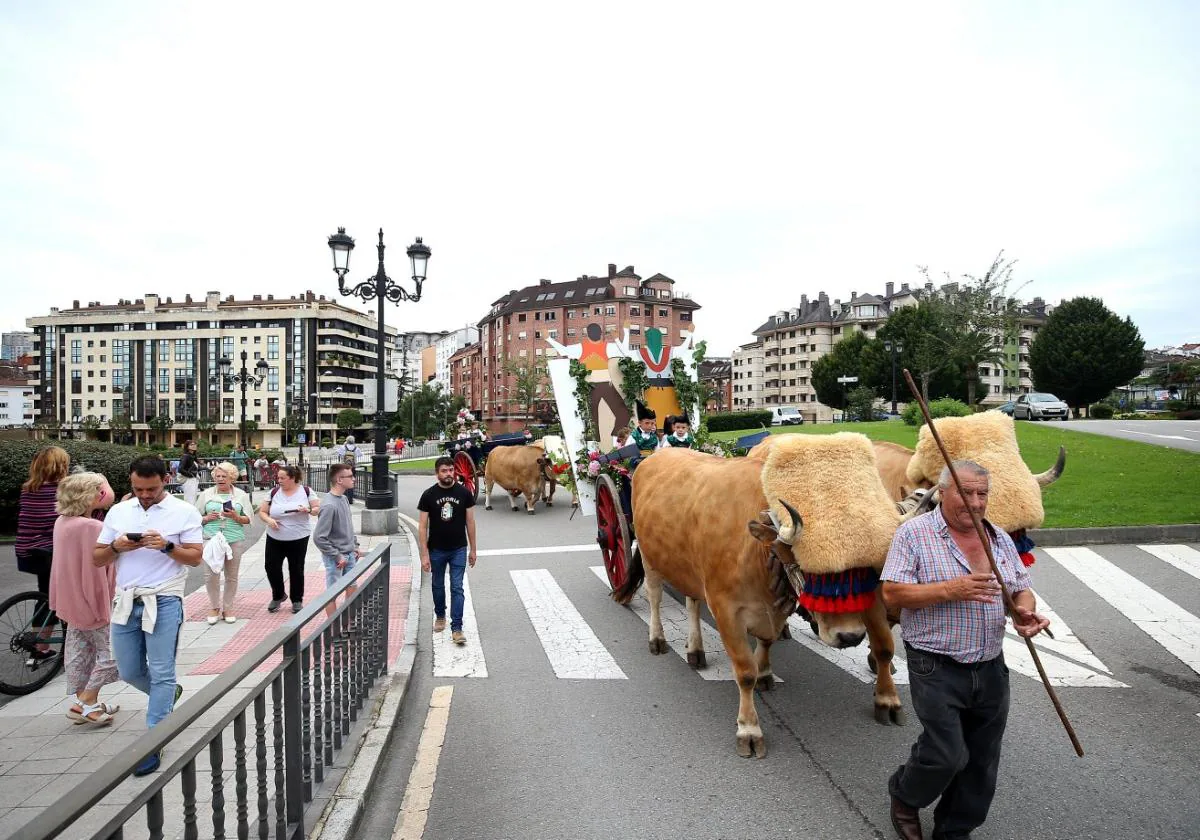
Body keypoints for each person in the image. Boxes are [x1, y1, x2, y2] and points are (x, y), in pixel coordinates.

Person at [881, 460, 1050, 840]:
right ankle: (905, 796)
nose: (975, 503)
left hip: (990, 663)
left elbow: (1019, 586)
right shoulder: (914, 535)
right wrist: (949, 590)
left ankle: (955, 829)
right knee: (947, 754)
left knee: (982, 760)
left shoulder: (999, 538)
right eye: (966, 492)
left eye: (982, 494)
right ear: (943, 492)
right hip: (935, 664)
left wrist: (1024, 611)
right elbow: (892, 594)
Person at [94, 456, 203, 776]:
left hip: (165, 599)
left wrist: (167, 546)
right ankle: (167, 694)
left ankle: (155, 740)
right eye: (138, 488)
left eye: (151, 488)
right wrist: (116, 546)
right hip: (126, 600)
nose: (144, 494)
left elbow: (195, 559)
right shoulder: (118, 511)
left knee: (161, 670)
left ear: (166, 481)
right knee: (127, 670)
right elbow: (97, 559)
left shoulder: (184, 512)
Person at [50, 471, 120, 726]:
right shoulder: (93, 527)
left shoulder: (62, 521)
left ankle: (87, 702)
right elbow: (103, 566)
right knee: (113, 654)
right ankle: (85, 703)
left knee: (80, 653)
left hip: (71, 599)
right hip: (94, 599)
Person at [15, 445, 71, 664]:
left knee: (47, 596)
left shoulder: (29, 488)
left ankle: (41, 647)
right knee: (67, 594)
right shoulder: (62, 489)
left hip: (27, 552)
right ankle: (58, 645)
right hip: (49, 551)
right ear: (60, 466)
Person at [417, 456, 477, 646]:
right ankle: (440, 614)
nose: (448, 474)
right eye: (444, 471)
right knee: (437, 585)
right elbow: (422, 526)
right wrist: (424, 554)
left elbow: (470, 522)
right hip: (436, 549)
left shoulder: (464, 493)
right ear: (437, 474)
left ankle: (457, 628)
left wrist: (473, 549)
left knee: (457, 587)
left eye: (451, 470)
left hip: (459, 548)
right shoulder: (428, 495)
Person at [195, 462, 252, 624]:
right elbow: (194, 518)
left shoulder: (241, 495)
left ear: (231, 478)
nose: (220, 479)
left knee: (231, 576)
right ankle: (214, 607)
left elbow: (248, 519)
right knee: (211, 574)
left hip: (234, 538)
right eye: (217, 476)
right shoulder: (206, 494)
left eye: (224, 476)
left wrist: (236, 516)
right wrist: (206, 518)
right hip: (211, 539)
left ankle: (228, 608)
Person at [260, 465, 320, 614]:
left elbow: (317, 509)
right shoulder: (273, 492)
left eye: (282, 478)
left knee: (296, 568)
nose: (279, 480)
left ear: (293, 478)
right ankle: (279, 595)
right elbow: (262, 511)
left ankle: (297, 599)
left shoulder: (306, 491)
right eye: (278, 477)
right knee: (271, 566)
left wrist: (308, 510)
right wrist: (269, 520)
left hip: (298, 537)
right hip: (275, 536)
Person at [313, 463, 363, 618]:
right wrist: (336, 555)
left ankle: (348, 623)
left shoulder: (343, 499)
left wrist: (354, 545)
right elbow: (319, 537)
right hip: (336, 558)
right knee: (332, 592)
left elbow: (348, 526)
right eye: (350, 476)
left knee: (352, 588)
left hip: (349, 553)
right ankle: (333, 629)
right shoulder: (329, 505)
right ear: (339, 480)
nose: (354, 479)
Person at [335, 435, 360, 504]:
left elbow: (338, 453)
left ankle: (344, 498)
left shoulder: (343, 447)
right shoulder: (356, 448)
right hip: (352, 468)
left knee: (343, 483)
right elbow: (360, 455)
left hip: (344, 468)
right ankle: (350, 499)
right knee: (351, 482)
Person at [178, 440, 201, 504]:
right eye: (191, 445)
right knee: (189, 499)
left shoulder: (193, 456)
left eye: (195, 444)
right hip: (189, 480)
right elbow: (180, 469)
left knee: (193, 498)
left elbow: (196, 468)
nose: (194, 446)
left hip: (194, 479)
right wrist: (190, 475)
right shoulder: (186, 456)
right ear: (187, 447)